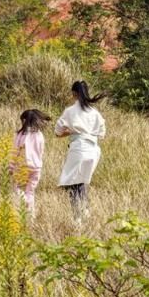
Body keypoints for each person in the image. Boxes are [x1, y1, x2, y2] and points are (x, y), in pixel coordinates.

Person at [55, 80, 106, 224]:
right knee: (81, 182)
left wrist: (71, 131)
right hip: (93, 150)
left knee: (71, 183)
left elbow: (58, 132)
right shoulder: (95, 113)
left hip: (79, 148)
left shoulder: (70, 111)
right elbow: (102, 133)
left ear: (74, 94)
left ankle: (77, 217)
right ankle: (86, 211)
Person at [10, 109, 51, 220]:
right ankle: (31, 218)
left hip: (23, 166)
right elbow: (41, 152)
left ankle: (25, 204)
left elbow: (15, 152)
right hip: (37, 167)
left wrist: (11, 166)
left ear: (24, 120)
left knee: (16, 188)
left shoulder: (21, 135)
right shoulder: (40, 135)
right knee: (30, 192)